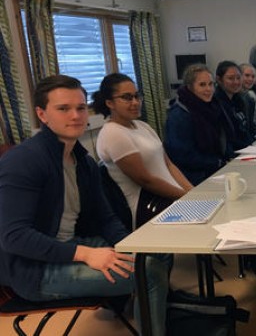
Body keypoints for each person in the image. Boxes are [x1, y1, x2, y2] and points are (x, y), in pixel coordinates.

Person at [0, 75, 168, 335]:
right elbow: (13, 237)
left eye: (80, 107)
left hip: (71, 246)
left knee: (155, 254)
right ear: (42, 114)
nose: (76, 115)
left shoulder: (83, 161)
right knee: (151, 274)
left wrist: (130, 247)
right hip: (35, 270)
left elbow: (106, 218)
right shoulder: (23, 161)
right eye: (63, 109)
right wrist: (86, 254)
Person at [92, 73, 193, 227]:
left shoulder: (142, 126)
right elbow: (146, 181)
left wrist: (193, 192)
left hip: (173, 197)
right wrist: (186, 196)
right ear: (109, 103)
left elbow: (169, 165)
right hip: (149, 207)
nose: (135, 102)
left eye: (136, 96)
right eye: (126, 97)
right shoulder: (113, 133)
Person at [164, 64, 232, 185]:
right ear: (190, 87)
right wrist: (218, 163)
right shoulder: (179, 115)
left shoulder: (212, 107)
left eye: (211, 84)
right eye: (202, 85)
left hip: (216, 169)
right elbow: (182, 156)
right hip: (193, 178)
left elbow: (223, 139)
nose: (208, 89)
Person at [214, 60, 255, 151]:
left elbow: (246, 130)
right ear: (219, 79)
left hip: (247, 148)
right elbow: (229, 138)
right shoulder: (217, 104)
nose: (236, 82)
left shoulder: (240, 100)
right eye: (231, 78)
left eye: (238, 77)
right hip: (234, 154)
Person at [239, 63, 256, 133]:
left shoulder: (249, 98)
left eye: (253, 76)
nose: (250, 79)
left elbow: (251, 124)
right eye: (247, 75)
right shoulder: (235, 98)